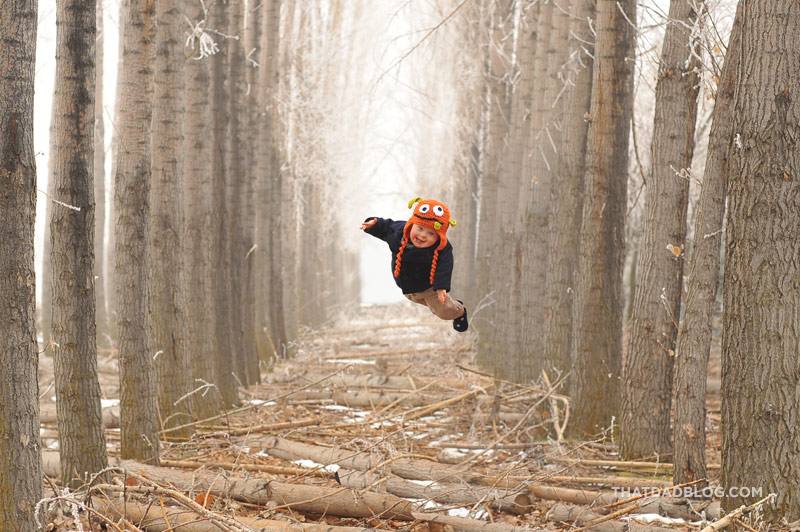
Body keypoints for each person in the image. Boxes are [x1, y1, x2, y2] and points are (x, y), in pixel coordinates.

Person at [361, 197, 468, 332]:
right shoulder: (399, 232)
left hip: (430, 288)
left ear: (438, 237)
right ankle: (452, 305)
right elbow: (386, 226)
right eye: (420, 228)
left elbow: (445, 266)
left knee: (442, 310)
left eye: (430, 233)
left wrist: (441, 287)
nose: (423, 235)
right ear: (412, 224)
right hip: (408, 288)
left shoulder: (441, 248)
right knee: (423, 302)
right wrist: (373, 224)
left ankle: (459, 312)